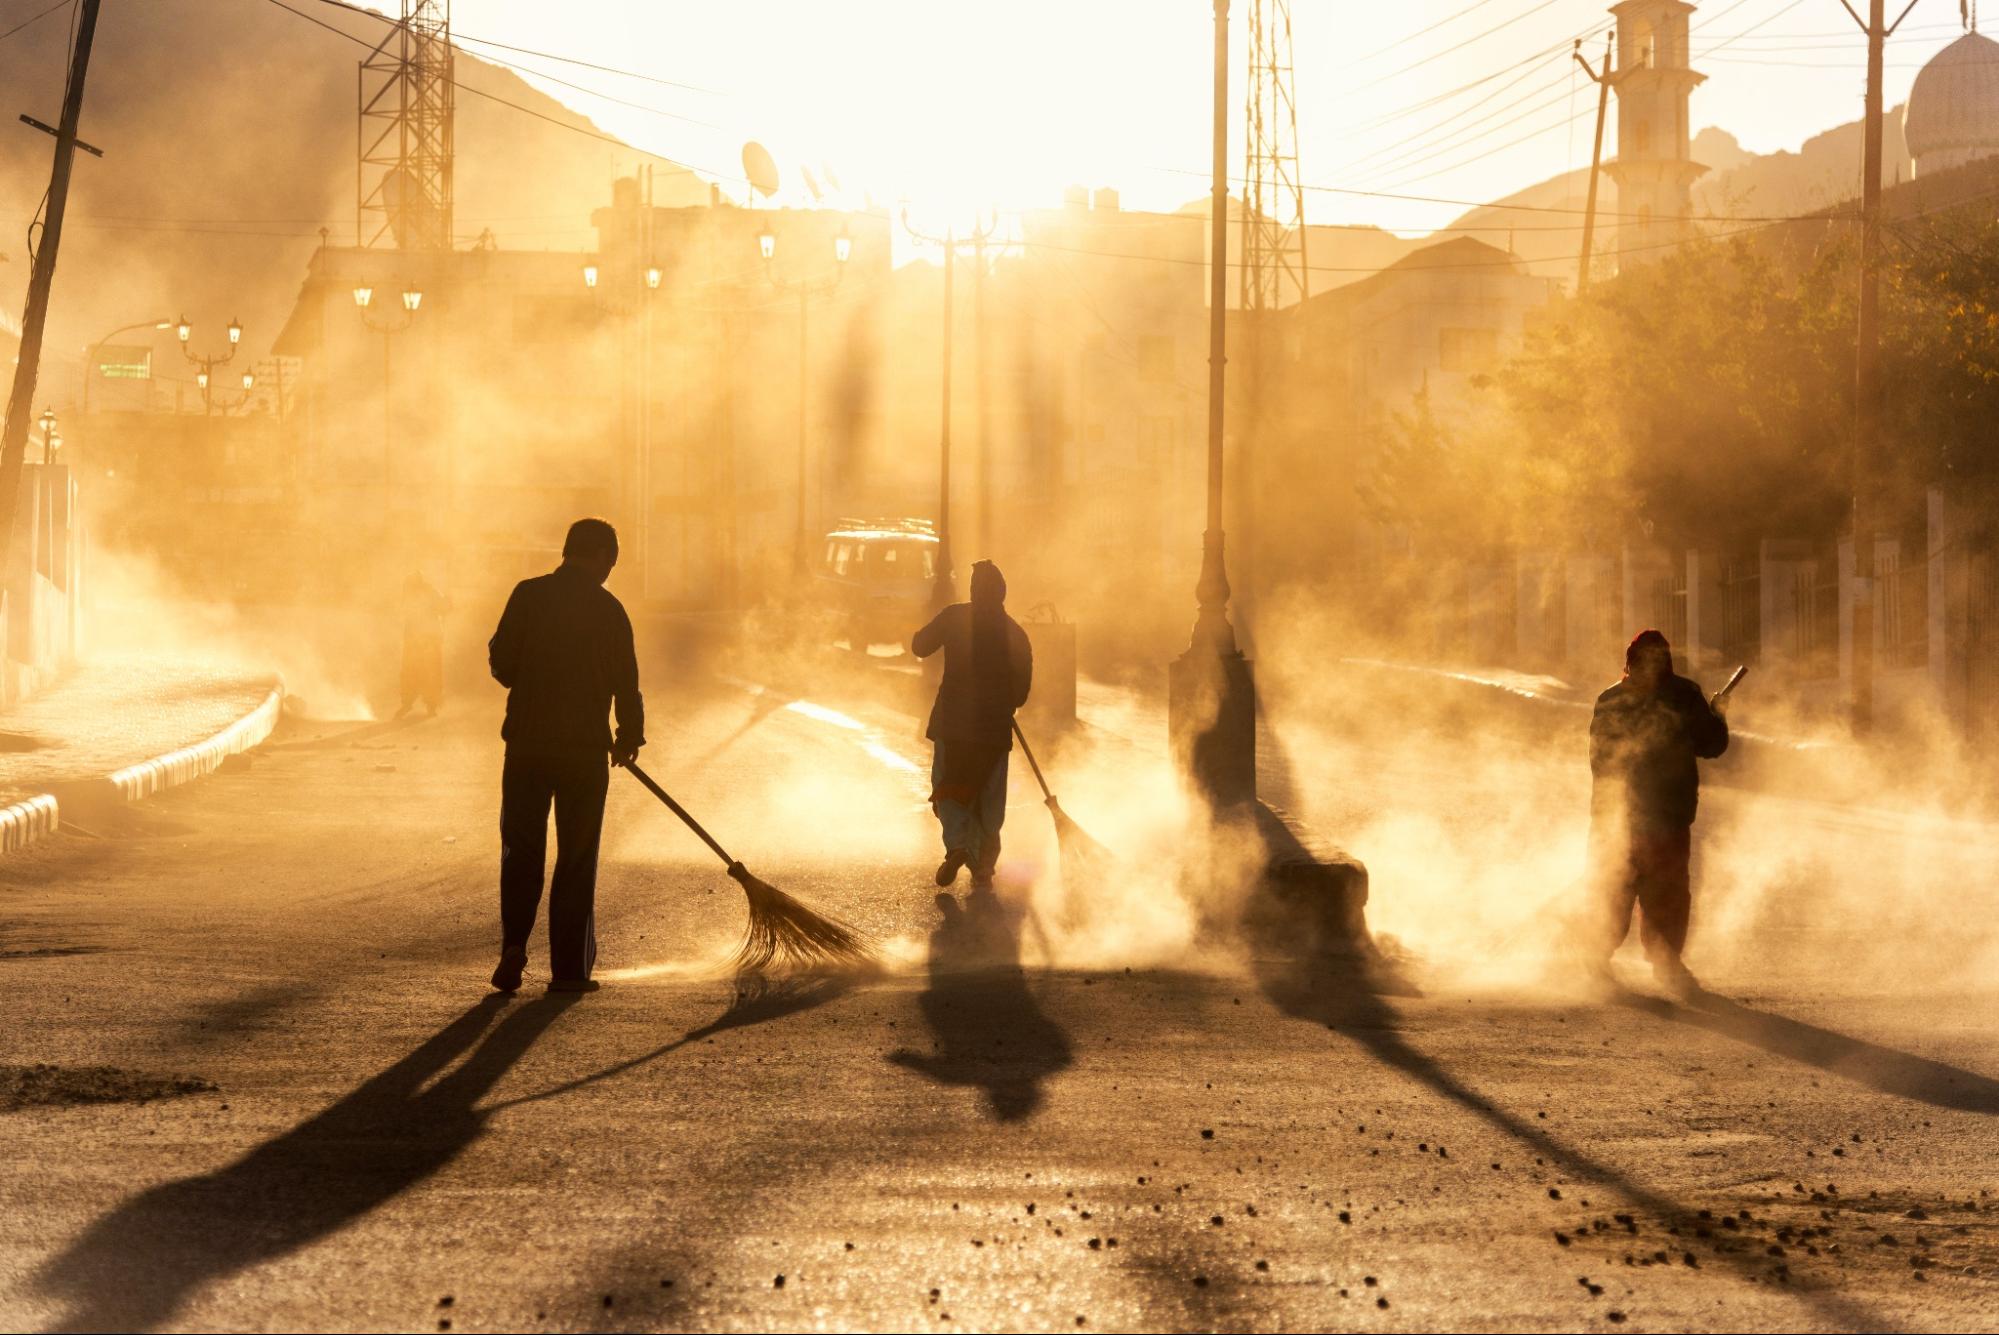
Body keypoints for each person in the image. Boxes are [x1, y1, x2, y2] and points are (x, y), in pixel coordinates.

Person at [486, 518, 644, 994]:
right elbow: (627, 682)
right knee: (576, 857)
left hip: (528, 748)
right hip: (584, 753)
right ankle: (569, 971)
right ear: (598, 556)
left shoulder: (527, 595)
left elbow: (502, 666)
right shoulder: (610, 610)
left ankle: (514, 945)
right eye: (610, 562)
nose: (610, 571)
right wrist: (628, 737)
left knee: (522, 852)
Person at [1587, 628, 1729, 998]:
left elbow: (1600, 762)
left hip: (1621, 816)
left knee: (1614, 887)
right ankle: (1664, 962)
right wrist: (1718, 715)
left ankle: (1596, 957)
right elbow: (1712, 745)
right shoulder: (1683, 695)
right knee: (1664, 891)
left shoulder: (1610, 699)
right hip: (1665, 815)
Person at [910, 560, 1032, 890]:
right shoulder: (1016, 633)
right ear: (1002, 594)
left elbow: (920, 646)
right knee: (989, 799)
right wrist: (1004, 695)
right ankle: (983, 867)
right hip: (993, 732)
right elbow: (1021, 695)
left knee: (950, 788)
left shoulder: (954, 617)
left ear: (973, 591)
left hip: (953, 724)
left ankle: (959, 847)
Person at [395, 570, 448, 719]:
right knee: (411, 671)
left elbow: (444, 607)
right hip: (416, 638)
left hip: (429, 638)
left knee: (429, 672)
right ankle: (408, 702)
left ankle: (429, 705)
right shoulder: (412, 594)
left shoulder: (430, 592)